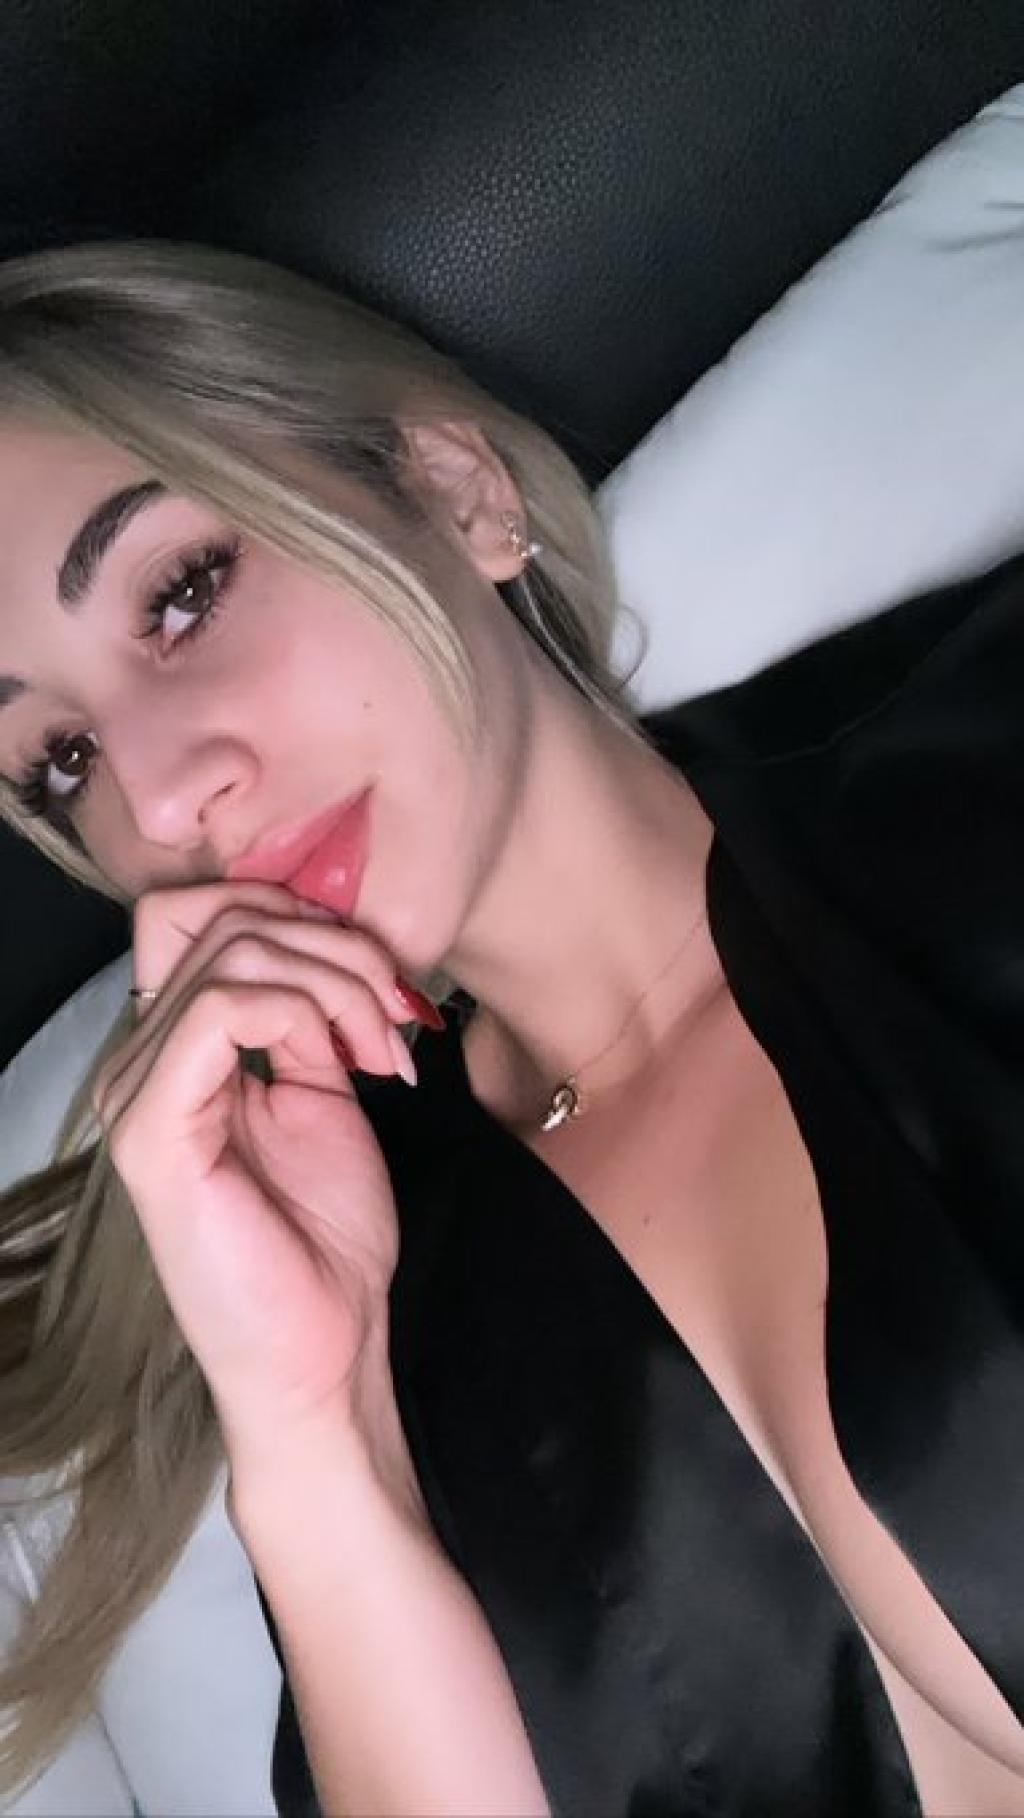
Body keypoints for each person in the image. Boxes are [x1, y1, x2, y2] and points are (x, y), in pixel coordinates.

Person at [0, 239, 1020, 1818]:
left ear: (456, 489)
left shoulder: (984, 777)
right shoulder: (388, 1300)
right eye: (60, 763)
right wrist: (311, 1437)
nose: (164, 795)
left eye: (185, 593)